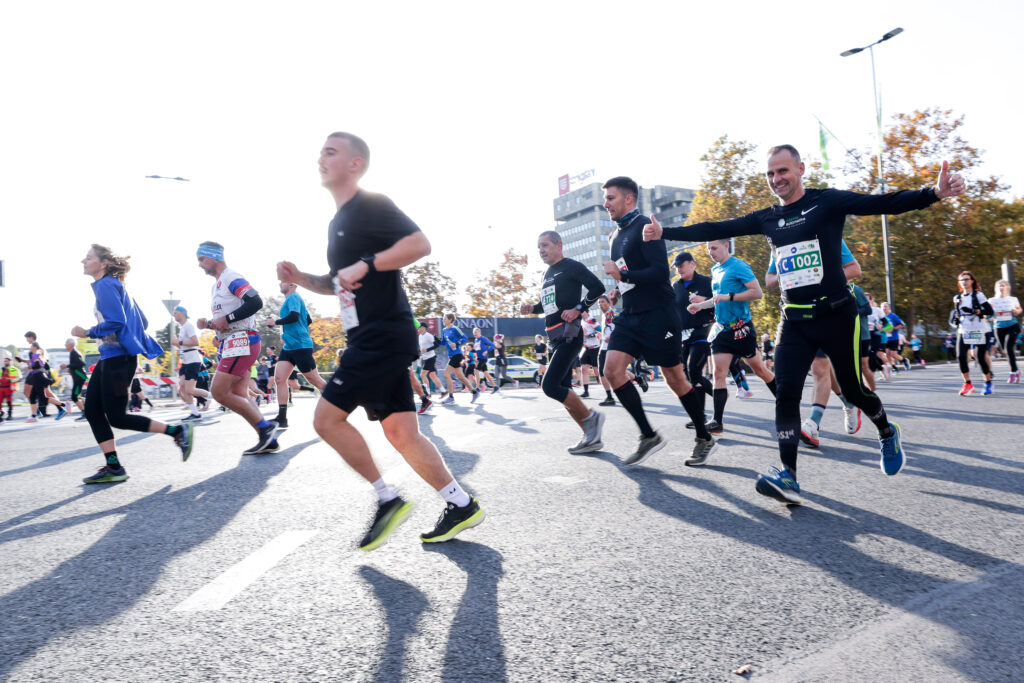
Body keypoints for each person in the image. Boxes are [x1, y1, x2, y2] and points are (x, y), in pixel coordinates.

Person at [645, 144, 966, 503]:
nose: (776, 179)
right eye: (770, 174)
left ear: (800, 168)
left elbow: (882, 203)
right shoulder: (766, 218)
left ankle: (886, 430)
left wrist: (935, 193)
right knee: (785, 395)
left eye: (782, 171)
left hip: (837, 315)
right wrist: (666, 232)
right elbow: (716, 227)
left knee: (855, 389)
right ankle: (790, 476)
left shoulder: (826, 202)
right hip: (794, 319)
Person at [276, 131, 484, 550]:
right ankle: (460, 505)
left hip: (380, 336)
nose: (321, 158)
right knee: (402, 433)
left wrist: (368, 263)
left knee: (325, 420)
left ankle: (387, 499)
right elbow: (339, 282)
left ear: (355, 163)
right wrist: (301, 279)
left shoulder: (371, 205)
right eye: (321, 152)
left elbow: (420, 244)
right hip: (373, 336)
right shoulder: (339, 222)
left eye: (330, 152)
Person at [600, 176, 717, 467]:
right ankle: (648, 435)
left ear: (629, 199)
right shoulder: (615, 237)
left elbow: (658, 273)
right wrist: (619, 290)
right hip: (630, 315)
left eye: (611, 198)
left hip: (659, 314)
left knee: (675, 379)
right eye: (605, 199)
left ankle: (704, 437)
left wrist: (622, 276)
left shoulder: (646, 228)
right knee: (612, 371)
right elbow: (629, 275)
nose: (606, 204)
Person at [71, 244, 194, 483]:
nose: (83, 261)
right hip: (111, 357)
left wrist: (88, 331)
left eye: (88, 258)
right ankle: (114, 466)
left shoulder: (106, 284)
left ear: (103, 263)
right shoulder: (116, 286)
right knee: (92, 410)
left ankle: (177, 431)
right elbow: (143, 321)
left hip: (118, 359)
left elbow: (116, 321)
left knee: (117, 417)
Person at [520, 230, 606, 453]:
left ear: (559, 245)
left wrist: (579, 309)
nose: (541, 250)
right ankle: (590, 437)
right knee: (564, 388)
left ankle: (591, 418)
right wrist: (533, 308)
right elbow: (549, 305)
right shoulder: (547, 273)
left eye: (545, 245)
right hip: (553, 336)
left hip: (570, 334)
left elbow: (598, 287)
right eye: (539, 246)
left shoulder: (571, 266)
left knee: (549, 386)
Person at [195, 241, 280, 454]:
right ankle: (267, 438)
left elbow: (255, 302)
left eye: (201, 259)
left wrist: (228, 318)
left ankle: (266, 428)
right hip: (233, 341)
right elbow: (225, 322)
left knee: (218, 393)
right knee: (237, 392)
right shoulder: (216, 286)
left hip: (242, 341)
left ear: (213, 258)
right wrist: (210, 324)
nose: (199, 265)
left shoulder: (231, 277)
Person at [685, 239, 776, 435]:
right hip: (722, 330)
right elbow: (717, 299)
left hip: (741, 329)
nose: (710, 252)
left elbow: (757, 293)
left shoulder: (739, 266)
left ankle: (786, 403)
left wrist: (730, 296)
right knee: (718, 374)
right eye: (708, 248)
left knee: (760, 370)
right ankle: (717, 421)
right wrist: (699, 306)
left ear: (727, 246)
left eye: (714, 248)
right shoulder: (715, 270)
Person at [267, 281, 327, 429]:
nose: (280, 283)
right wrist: (293, 332)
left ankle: (339, 403)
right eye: (279, 281)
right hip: (289, 346)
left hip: (301, 346)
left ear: (292, 284)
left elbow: (294, 316)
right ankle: (282, 418)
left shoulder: (293, 297)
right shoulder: (291, 299)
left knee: (316, 381)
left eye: (283, 281)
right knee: (280, 379)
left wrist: (276, 322)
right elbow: (308, 319)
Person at [673, 251, 715, 410]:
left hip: (703, 332)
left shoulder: (707, 282)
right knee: (687, 376)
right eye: (676, 267)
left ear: (692, 264)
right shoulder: (675, 286)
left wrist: (704, 301)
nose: (678, 269)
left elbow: (722, 301)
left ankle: (706, 408)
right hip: (683, 337)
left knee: (694, 371)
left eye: (681, 265)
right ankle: (710, 404)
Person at [951, 270, 994, 395]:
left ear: (972, 281)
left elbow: (989, 311)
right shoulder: (957, 298)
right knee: (961, 357)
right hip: (964, 330)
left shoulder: (978, 295)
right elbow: (957, 313)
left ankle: (987, 382)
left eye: (967, 279)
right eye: (962, 280)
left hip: (979, 329)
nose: (964, 282)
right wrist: (956, 318)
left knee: (980, 357)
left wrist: (978, 311)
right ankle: (968, 383)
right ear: (959, 283)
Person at [171, 306, 211, 421]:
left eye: (175, 312)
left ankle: (213, 396)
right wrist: (176, 344)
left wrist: (179, 341)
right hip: (185, 361)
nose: (174, 315)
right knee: (183, 388)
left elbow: (195, 342)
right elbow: (184, 345)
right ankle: (195, 413)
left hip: (193, 360)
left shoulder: (188, 326)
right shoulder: (182, 328)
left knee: (190, 390)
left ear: (182, 313)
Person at [439, 313, 480, 404]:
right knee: (461, 377)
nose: (443, 320)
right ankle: (474, 392)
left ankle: (450, 397)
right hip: (451, 356)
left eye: (444, 318)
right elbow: (443, 343)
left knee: (446, 375)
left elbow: (464, 337)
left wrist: (457, 343)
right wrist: (435, 341)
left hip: (457, 354)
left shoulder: (455, 328)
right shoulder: (444, 330)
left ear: (450, 320)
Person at [990, 279, 1022, 383]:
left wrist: (1017, 311)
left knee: (1008, 348)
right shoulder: (992, 300)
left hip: (1012, 326)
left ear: (1007, 287)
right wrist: (989, 314)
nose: (1001, 287)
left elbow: (1019, 309)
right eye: (999, 286)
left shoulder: (1013, 299)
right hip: (999, 327)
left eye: (1003, 285)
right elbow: (988, 314)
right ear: (996, 288)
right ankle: (1016, 370)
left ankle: (1013, 372)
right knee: (1006, 351)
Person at [61, 338, 89, 419]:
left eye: (66, 343)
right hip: (79, 377)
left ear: (71, 344)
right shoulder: (73, 353)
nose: (65, 345)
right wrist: (71, 369)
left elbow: (81, 363)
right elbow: (77, 365)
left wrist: (67, 366)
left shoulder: (74, 352)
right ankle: (87, 410)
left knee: (74, 396)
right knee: (77, 395)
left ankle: (85, 413)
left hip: (79, 378)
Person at [578, 312, 602, 399]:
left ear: (586, 312)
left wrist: (593, 335)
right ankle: (586, 391)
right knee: (584, 369)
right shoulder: (581, 321)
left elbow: (600, 330)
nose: (580, 312)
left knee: (597, 369)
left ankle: (607, 388)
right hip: (586, 348)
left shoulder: (591, 320)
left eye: (582, 311)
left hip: (595, 348)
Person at [417, 322, 443, 395]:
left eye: (420, 327)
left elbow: (437, 345)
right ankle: (444, 391)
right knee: (433, 376)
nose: (419, 328)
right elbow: (421, 347)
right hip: (425, 358)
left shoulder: (429, 335)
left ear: (425, 328)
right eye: (418, 327)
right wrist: (419, 352)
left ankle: (427, 393)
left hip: (430, 357)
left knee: (422, 375)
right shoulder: (419, 336)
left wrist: (427, 350)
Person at [472, 327, 499, 393]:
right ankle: (495, 387)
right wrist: (471, 350)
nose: (475, 333)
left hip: (483, 359)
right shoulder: (476, 340)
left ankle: (477, 388)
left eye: (476, 332)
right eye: (474, 332)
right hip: (479, 358)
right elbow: (477, 350)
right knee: (486, 373)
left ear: (479, 332)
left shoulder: (483, 338)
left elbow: (492, 345)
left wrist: (487, 351)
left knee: (476, 370)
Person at [0, 357, 20, 421]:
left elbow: (19, 377)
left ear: (10, 362)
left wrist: (11, 379)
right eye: (5, 361)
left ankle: (10, 414)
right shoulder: (2, 369)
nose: (5, 362)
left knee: (9, 401)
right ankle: (1, 413)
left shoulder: (15, 369)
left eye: (7, 361)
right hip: (1, 387)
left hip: (9, 387)